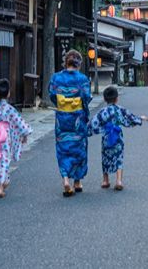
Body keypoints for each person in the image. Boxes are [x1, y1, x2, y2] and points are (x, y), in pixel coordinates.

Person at [48, 49, 92, 197]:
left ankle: (66, 179)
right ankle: (77, 182)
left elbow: (52, 95)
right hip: (77, 117)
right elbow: (87, 96)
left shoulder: (56, 78)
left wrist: (63, 103)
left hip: (62, 117)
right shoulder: (82, 79)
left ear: (66, 62)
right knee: (78, 147)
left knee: (63, 147)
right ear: (78, 64)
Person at [88, 86, 148, 191]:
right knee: (118, 157)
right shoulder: (120, 109)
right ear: (117, 98)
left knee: (105, 158)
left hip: (106, 137)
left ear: (105, 99)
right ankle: (119, 180)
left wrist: (85, 130)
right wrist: (140, 119)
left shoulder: (102, 111)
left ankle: (105, 180)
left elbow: (93, 123)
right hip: (118, 137)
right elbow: (129, 117)